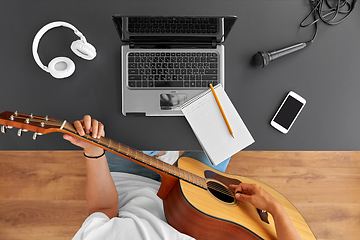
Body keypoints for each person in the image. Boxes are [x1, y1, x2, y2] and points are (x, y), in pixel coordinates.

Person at [64, 115, 302, 240]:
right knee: (227, 128)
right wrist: (273, 207)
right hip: (195, 205)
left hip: (127, 180)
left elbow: (103, 207)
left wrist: (94, 151)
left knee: (129, 112)